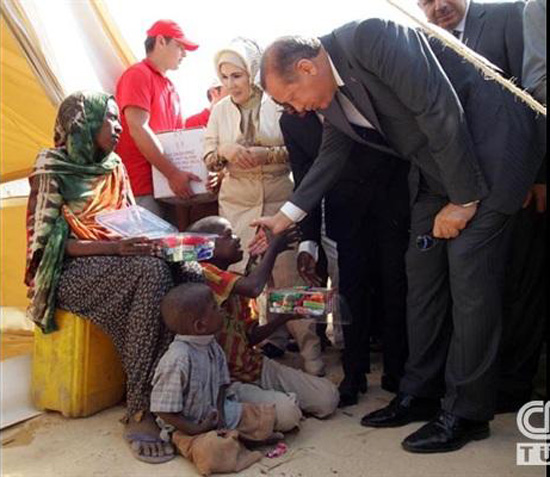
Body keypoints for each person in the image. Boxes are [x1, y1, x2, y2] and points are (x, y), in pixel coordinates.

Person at [255, 18, 543, 453]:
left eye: (291, 97)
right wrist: (286, 216)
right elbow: (333, 152)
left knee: (469, 277)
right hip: (436, 170)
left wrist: (464, 199)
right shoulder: (328, 96)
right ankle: (420, 392)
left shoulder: (371, 37)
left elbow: (437, 106)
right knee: (421, 274)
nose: (296, 110)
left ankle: (466, 413)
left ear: (307, 67)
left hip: (489, 153)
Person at [25, 91, 205, 464]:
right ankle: (140, 408)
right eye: (110, 118)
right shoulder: (52, 167)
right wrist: (115, 248)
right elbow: (47, 246)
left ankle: (185, 386)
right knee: (150, 273)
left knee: (189, 266)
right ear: (84, 123)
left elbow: (128, 220)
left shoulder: (114, 164)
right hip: (69, 270)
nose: (118, 126)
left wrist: (158, 241)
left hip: (119, 258)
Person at [203, 37, 324, 376]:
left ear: (252, 72)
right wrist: (224, 151)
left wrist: (264, 155)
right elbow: (209, 157)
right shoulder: (219, 111)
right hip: (238, 206)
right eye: (224, 77)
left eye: (237, 75)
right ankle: (257, 346)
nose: (231, 84)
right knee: (244, 277)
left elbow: (299, 150)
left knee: (288, 278)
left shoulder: (277, 102)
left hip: (279, 200)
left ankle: (311, 353)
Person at [280, 111, 410, 406]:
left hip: (391, 206)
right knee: (351, 292)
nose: (291, 106)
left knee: (395, 287)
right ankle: (354, 374)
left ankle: (397, 371)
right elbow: (305, 182)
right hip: (346, 214)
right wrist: (309, 241)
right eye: (281, 104)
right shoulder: (292, 121)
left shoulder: (353, 99)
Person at [187, 216, 339, 428]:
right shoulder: (203, 273)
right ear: (206, 247)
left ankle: (263, 405)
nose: (237, 238)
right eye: (228, 236)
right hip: (227, 379)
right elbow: (253, 287)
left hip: (253, 366)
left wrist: (285, 318)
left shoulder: (233, 280)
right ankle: (249, 406)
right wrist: (273, 248)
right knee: (288, 414)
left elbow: (249, 337)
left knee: (328, 398)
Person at [150, 283, 279, 475]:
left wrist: (220, 416)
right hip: (186, 428)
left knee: (271, 418)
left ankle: (234, 438)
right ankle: (237, 443)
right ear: (200, 326)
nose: (222, 310)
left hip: (215, 415)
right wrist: (196, 429)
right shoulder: (177, 359)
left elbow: (221, 385)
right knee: (212, 452)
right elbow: (162, 410)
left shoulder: (213, 346)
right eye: (215, 308)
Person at [115, 19, 201, 220]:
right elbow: (137, 127)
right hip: (141, 189)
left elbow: (179, 140)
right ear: (161, 41)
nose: (184, 54)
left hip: (168, 191)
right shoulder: (138, 74)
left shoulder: (170, 87)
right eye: (180, 46)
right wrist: (172, 173)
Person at [418, 0, 525, 80]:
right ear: (420, 7)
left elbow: (528, 82)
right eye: (429, 1)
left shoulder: (507, 14)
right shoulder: (423, 48)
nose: (440, 6)